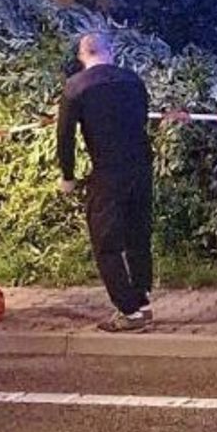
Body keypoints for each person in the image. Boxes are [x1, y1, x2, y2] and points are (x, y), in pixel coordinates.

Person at [57, 31, 154, 331]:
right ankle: (141, 297)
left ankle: (129, 312)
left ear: (82, 56)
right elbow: (143, 118)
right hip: (141, 168)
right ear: (110, 52)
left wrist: (68, 176)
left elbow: (66, 138)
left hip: (107, 172)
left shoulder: (75, 88)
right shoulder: (133, 81)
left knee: (106, 242)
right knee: (138, 235)